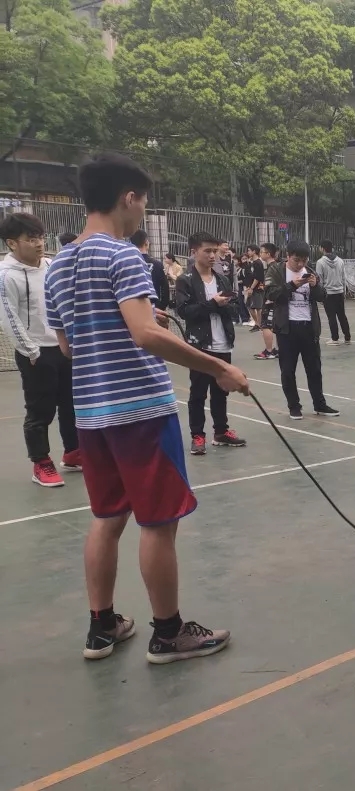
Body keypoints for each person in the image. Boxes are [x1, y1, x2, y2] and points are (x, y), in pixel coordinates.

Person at [44, 153, 247, 662]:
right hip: (140, 413)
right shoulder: (121, 255)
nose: (142, 213)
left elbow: (68, 346)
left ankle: (102, 627)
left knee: (107, 517)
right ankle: (169, 633)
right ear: (128, 197)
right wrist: (217, 369)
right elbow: (145, 335)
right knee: (158, 523)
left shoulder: (58, 265)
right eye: (144, 203)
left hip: (92, 414)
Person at [0, 212, 80, 487]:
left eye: (41, 237)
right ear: (12, 243)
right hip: (35, 354)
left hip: (62, 347)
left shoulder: (50, 266)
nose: (39, 243)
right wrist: (31, 351)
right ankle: (41, 462)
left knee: (71, 404)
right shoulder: (6, 276)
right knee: (40, 410)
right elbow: (8, 318)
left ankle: (73, 453)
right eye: (31, 238)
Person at [173, 231, 247, 455]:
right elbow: (184, 311)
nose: (212, 255)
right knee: (198, 392)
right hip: (200, 345)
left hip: (222, 342)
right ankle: (197, 435)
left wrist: (225, 305)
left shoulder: (222, 279)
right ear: (194, 252)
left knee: (221, 390)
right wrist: (213, 304)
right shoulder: (186, 280)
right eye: (208, 251)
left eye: (215, 251)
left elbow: (235, 308)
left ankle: (221, 431)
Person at [263, 240, 339, 419]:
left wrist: (314, 286)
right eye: (296, 260)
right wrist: (292, 285)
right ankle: (294, 406)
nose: (300, 264)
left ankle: (319, 404)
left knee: (314, 369)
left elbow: (322, 296)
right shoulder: (276, 271)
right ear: (288, 256)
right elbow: (271, 294)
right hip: (287, 328)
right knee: (288, 370)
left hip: (309, 327)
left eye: (304, 260)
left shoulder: (310, 271)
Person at [315, 240, 351, 346]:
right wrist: (344, 291)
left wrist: (320, 295)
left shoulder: (320, 262)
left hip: (328, 293)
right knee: (342, 315)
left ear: (322, 248)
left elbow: (319, 279)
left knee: (331, 316)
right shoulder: (340, 261)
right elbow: (343, 277)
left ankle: (335, 339)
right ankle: (347, 337)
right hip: (339, 291)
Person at [129, 229, 170, 310]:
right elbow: (165, 288)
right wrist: (161, 306)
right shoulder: (157, 264)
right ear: (146, 243)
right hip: (155, 306)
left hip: (133, 308)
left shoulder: (127, 263)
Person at [252, 243, 278, 360]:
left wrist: (270, 298)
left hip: (270, 301)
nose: (260, 254)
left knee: (266, 325)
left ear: (268, 254)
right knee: (276, 326)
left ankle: (269, 351)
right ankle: (277, 349)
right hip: (273, 299)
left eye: (262, 252)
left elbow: (274, 285)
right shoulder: (276, 266)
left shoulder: (272, 268)